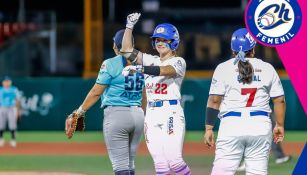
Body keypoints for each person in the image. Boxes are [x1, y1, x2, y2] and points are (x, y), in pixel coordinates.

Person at [203, 28, 286, 175]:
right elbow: (279, 100)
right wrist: (279, 125)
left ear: (232, 48)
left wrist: (209, 128)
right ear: (253, 47)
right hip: (260, 124)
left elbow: (215, 100)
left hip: (231, 124)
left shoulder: (223, 68)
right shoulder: (267, 68)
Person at [66, 29, 146, 175]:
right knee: (129, 163)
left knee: (120, 167)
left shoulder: (111, 63)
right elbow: (145, 93)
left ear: (115, 46)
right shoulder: (143, 61)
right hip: (138, 114)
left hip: (117, 115)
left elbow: (96, 92)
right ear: (132, 44)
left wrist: (79, 111)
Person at [120, 13, 192, 175]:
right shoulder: (150, 59)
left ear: (173, 42)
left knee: (175, 160)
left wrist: (140, 68)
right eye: (158, 39)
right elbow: (126, 50)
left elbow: (166, 71)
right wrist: (129, 26)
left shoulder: (178, 61)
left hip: (170, 112)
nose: (160, 42)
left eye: (164, 39)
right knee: (160, 164)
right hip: (152, 113)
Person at [0, 76, 21, 147]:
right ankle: (1, 139)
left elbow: (18, 100)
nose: (7, 83)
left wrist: (18, 110)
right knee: (1, 124)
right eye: (5, 81)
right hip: (2, 107)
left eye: (8, 81)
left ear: (10, 82)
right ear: (2, 82)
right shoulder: (0, 90)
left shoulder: (14, 89)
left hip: (12, 108)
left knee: (13, 124)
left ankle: (13, 140)